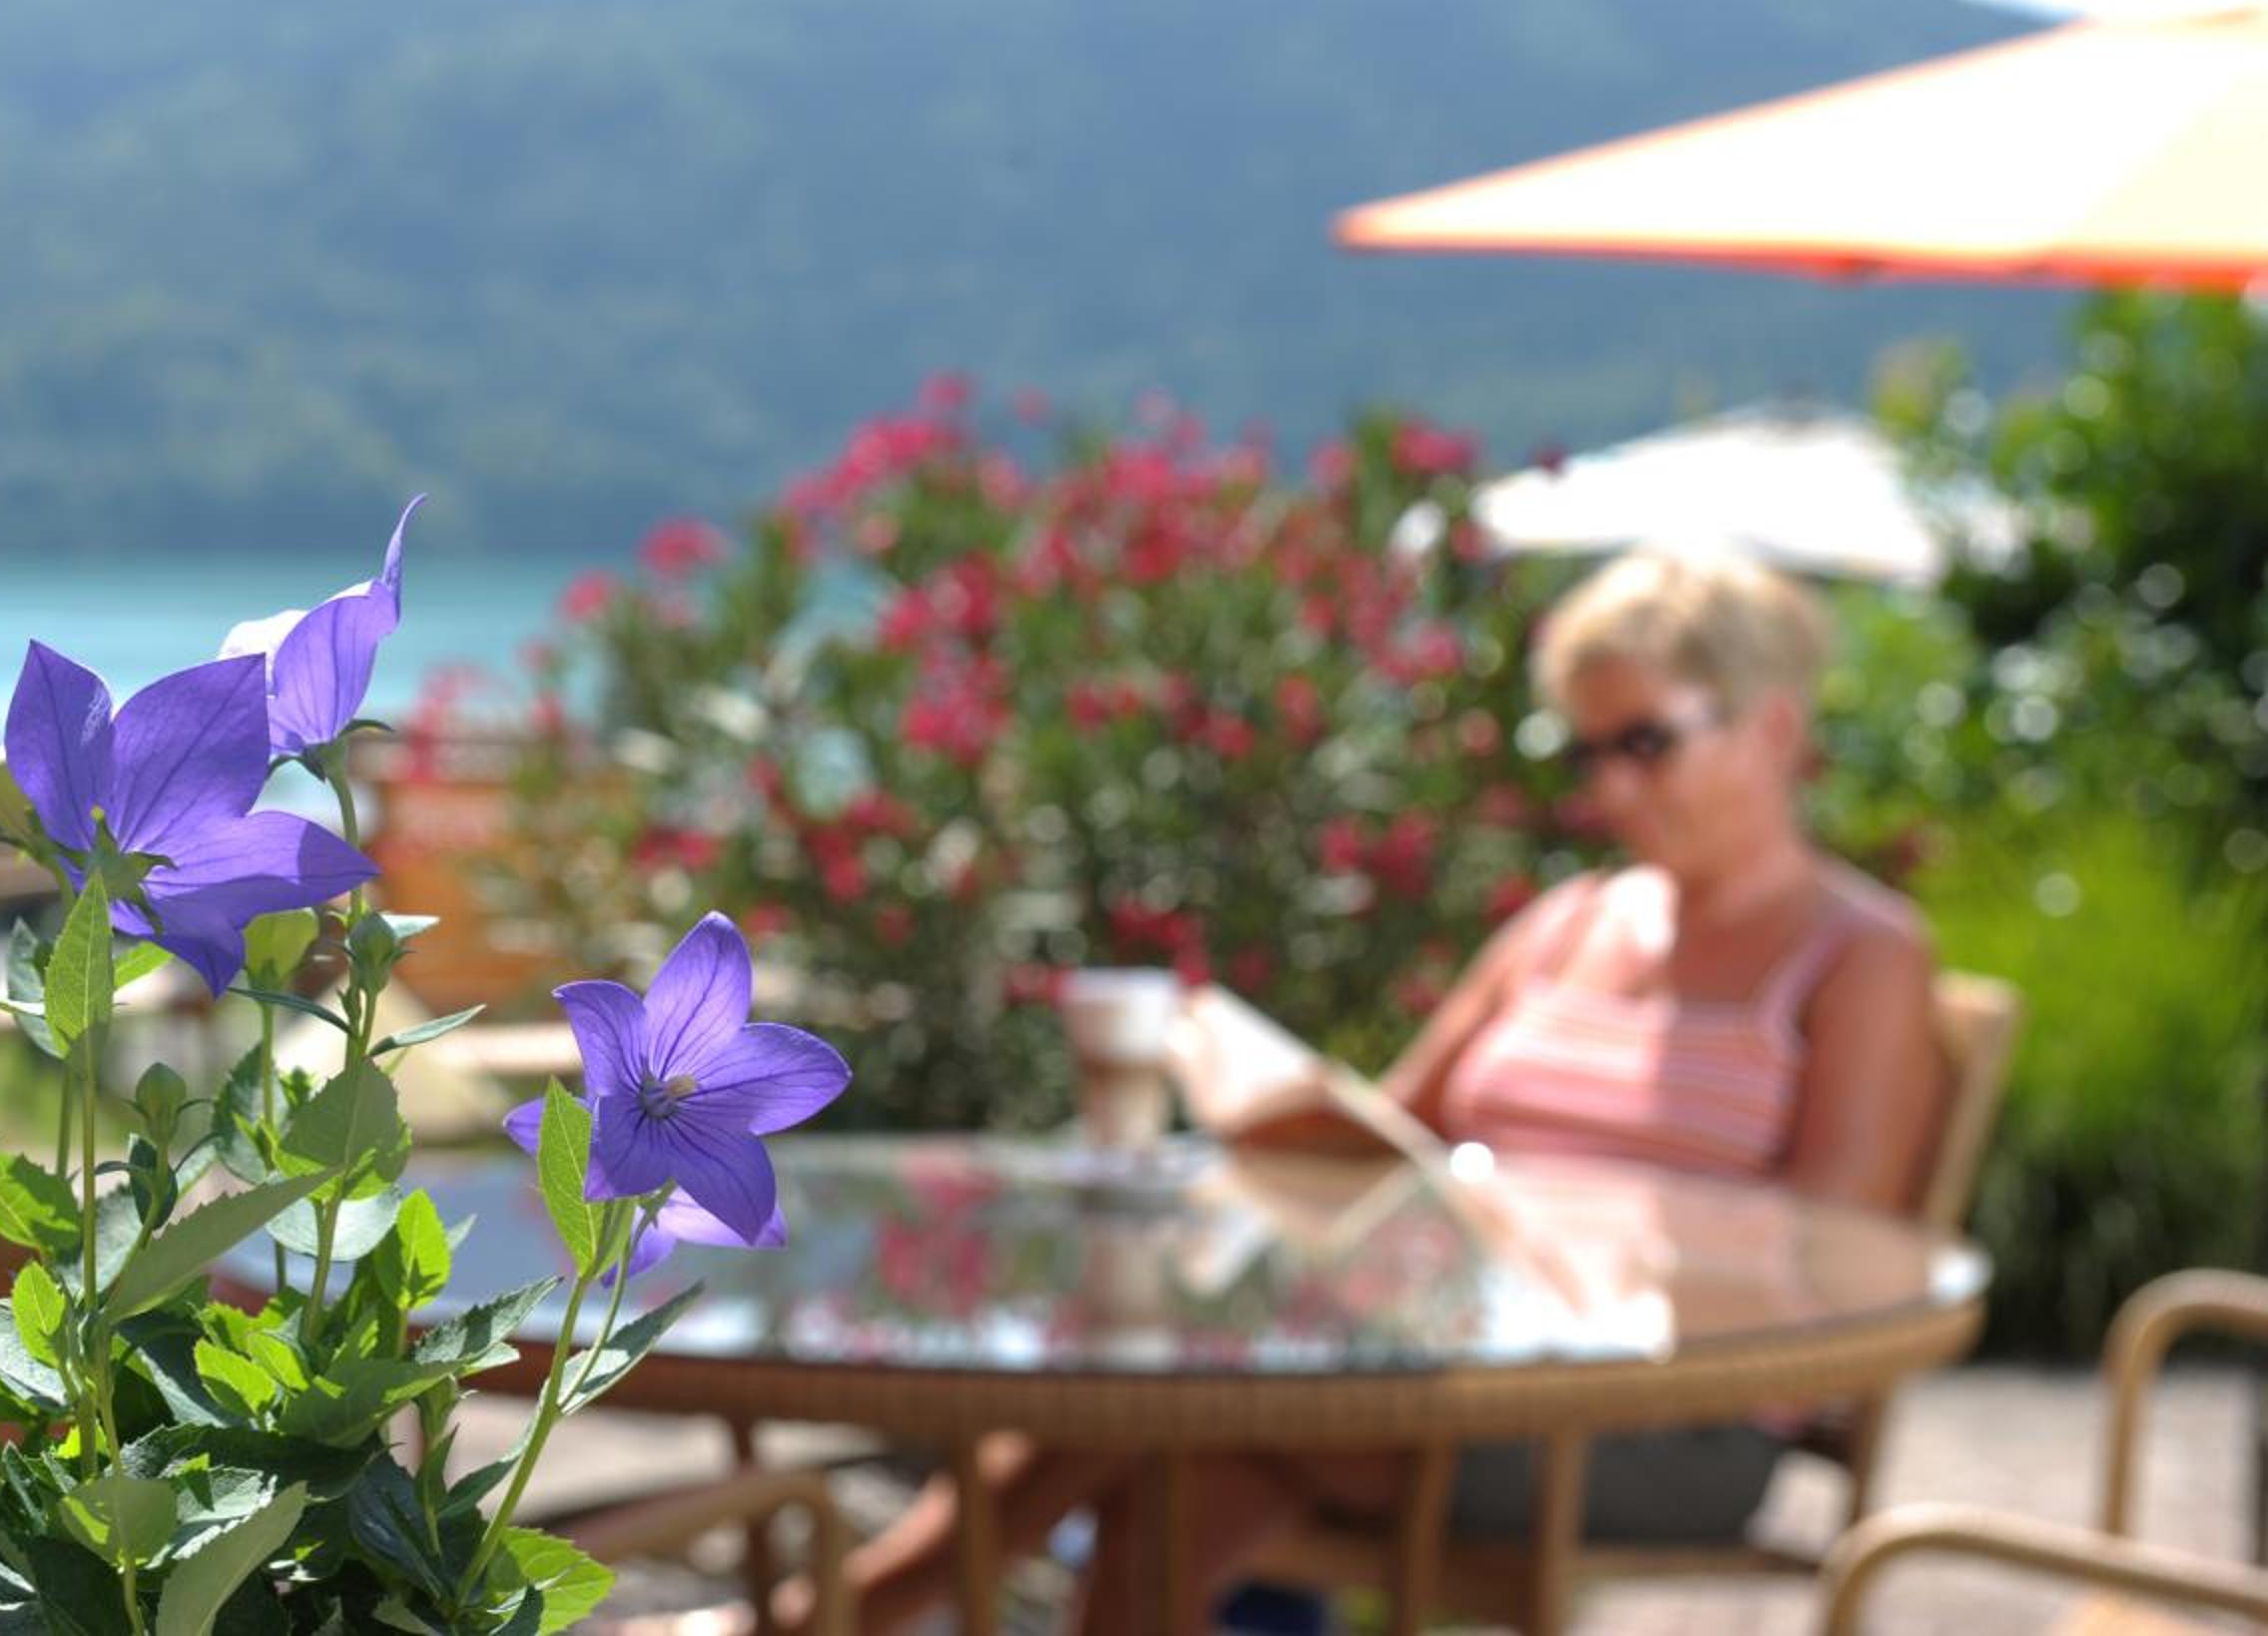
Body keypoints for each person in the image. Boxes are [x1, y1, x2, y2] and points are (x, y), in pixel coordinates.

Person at [817, 546, 1951, 1635]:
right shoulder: (1564, 927)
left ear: (1774, 727)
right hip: (1464, 1361)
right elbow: (1394, 1132)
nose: (1610, 785)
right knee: (1168, 1471)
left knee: (1177, 1401)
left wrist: (1550, 1254)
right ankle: (838, 1616)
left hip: (1669, 1417)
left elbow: (1822, 1256)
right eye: (1586, 752)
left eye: (1646, 742)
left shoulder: (1860, 957)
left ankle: (831, 1616)